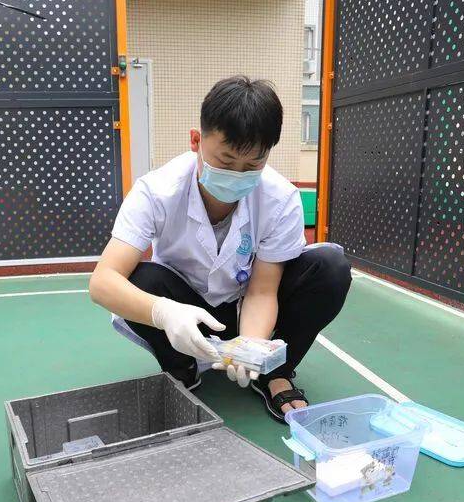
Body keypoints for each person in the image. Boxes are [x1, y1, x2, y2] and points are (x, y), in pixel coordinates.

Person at [88, 76, 351, 422]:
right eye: (226, 162)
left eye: (253, 165)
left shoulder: (280, 198)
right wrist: (165, 313)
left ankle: (274, 372)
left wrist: (252, 347)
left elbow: (262, 290)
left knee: (330, 267)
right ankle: (181, 366)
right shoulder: (156, 191)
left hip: (242, 306)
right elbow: (102, 281)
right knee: (140, 279)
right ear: (196, 141)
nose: (238, 175)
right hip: (184, 309)